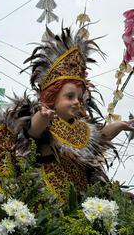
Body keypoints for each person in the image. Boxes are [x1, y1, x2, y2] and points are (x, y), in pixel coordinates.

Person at [12, 26, 134, 202]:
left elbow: (100, 138)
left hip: (82, 200)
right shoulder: (45, 120)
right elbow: (32, 133)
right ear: (52, 97)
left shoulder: (83, 127)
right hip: (47, 195)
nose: (76, 101)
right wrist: (42, 117)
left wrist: (121, 126)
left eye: (79, 97)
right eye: (69, 96)